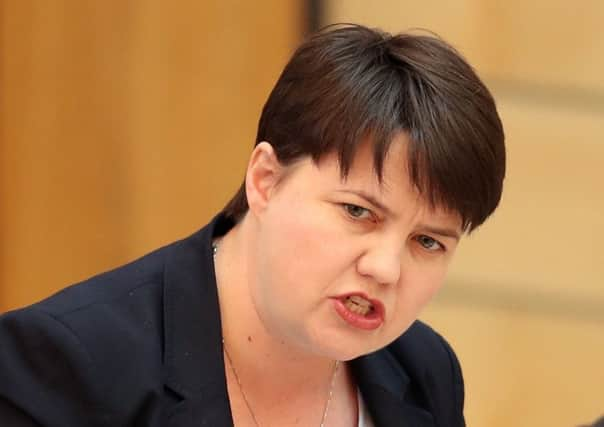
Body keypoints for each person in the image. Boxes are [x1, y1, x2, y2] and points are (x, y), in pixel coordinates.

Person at [0, 24, 505, 427]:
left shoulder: (423, 371)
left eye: (428, 241)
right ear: (265, 180)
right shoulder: (69, 363)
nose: (386, 269)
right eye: (358, 212)